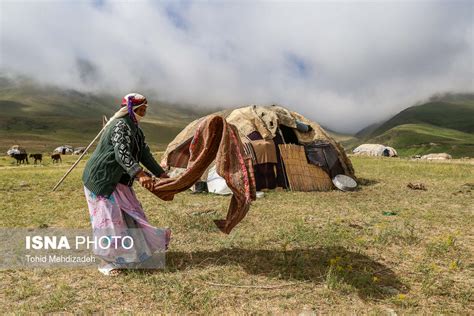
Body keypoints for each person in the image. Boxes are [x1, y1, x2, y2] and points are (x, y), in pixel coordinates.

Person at [82, 92, 170, 276]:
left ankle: (132, 255)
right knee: (109, 220)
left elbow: (144, 153)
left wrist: (160, 173)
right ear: (130, 109)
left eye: (145, 109)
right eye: (141, 109)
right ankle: (108, 263)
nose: (144, 112)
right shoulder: (120, 126)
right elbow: (121, 153)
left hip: (120, 180)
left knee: (132, 215)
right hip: (102, 179)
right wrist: (139, 174)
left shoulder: (136, 129)